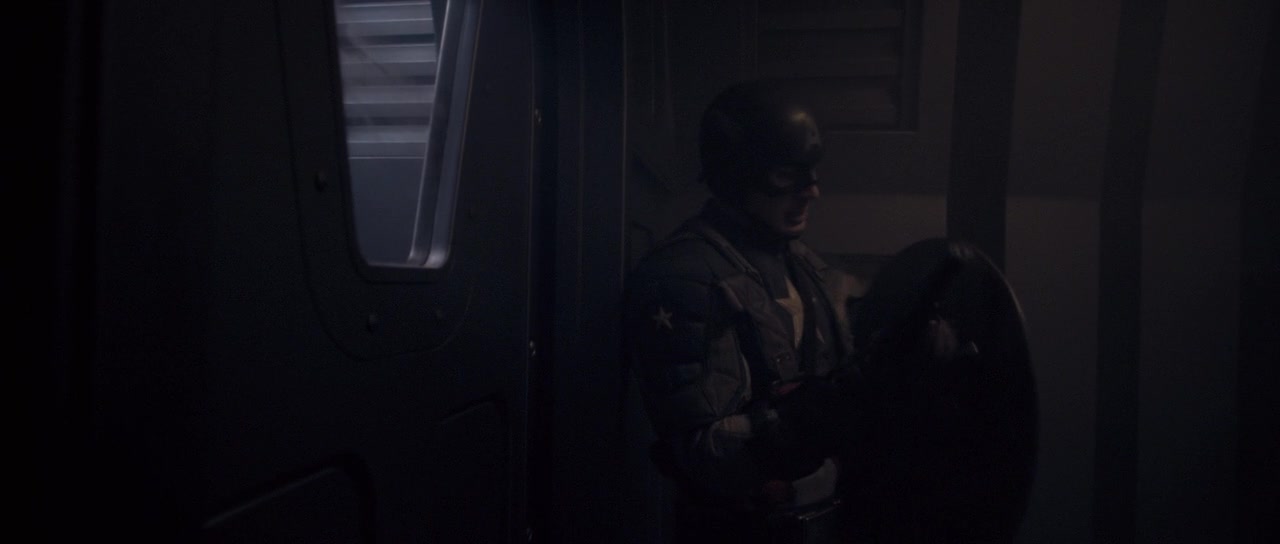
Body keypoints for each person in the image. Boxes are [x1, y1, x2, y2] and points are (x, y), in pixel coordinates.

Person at [622, 79, 866, 543]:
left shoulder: (804, 265)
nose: (811, 192)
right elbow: (703, 453)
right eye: (786, 176)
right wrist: (806, 422)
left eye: (811, 173)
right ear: (738, 175)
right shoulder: (682, 278)